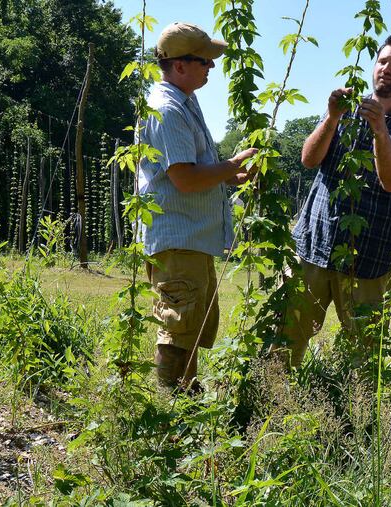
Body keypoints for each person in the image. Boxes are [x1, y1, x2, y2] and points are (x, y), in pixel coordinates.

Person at [278, 35, 391, 367]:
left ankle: (356, 419)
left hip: (368, 261)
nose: (386, 69)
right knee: (285, 342)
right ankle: (270, 407)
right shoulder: (345, 111)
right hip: (313, 248)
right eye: (382, 61)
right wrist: (331, 118)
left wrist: (380, 130)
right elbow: (308, 159)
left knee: (363, 360)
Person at [138, 22, 256, 389]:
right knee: (177, 327)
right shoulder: (168, 109)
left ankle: (184, 403)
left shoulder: (185, 102)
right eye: (205, 61)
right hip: (179, 239)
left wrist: (224, 176)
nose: (211, 68)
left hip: (193, 239)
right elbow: (184, 179)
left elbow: (193, 170)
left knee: (191, 328)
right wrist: (233, 165)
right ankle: (169, 412)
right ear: (180, 65)